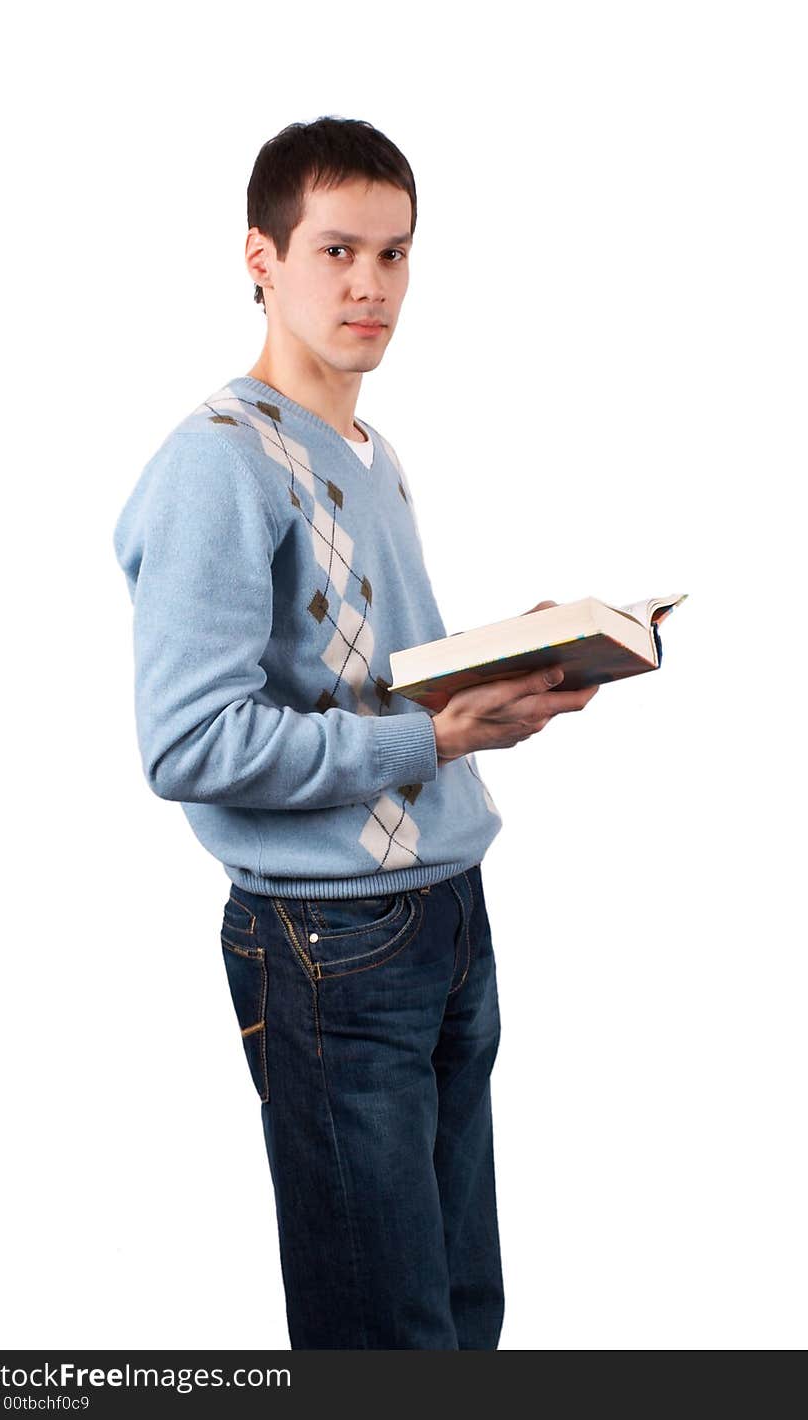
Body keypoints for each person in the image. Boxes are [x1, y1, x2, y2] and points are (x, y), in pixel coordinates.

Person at [112, 115, 599, 1350]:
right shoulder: (219, 463)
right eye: (335, 250)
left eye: (393, 254)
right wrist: (433, 742)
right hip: (331, 936)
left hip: (444, 908)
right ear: (260, 258)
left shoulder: (370, 452)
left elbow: (371, 679)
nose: (369, 285)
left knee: (457, 1309)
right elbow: (190, 745)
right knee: (383, 1336)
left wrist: (511, 657)